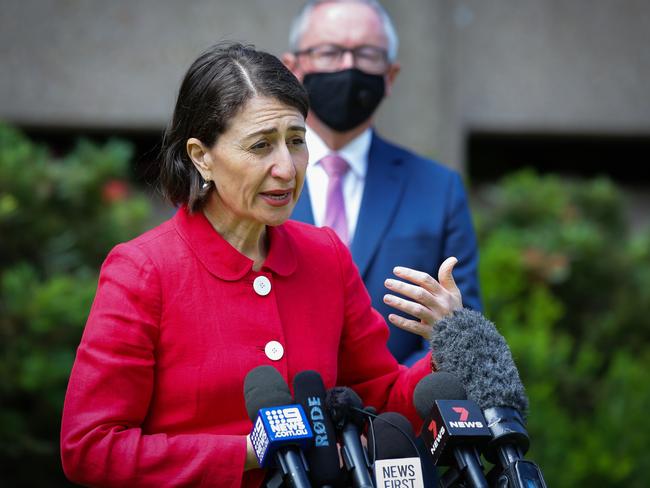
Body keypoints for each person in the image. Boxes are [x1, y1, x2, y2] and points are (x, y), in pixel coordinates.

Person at [60, 42, 463, 487]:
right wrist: (251, 452)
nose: (287, 169)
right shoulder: (142, 271)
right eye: (261, 146)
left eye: (296, 142)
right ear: (201, 156)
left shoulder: (325, 255)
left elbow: (383, 403)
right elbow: (91, 448)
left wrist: (447, 347)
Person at [282, 0, 482, 366]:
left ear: (390, 76)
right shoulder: (252, 179)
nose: (348, 66)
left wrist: (391, 405)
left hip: (397, 414)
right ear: (292, 68)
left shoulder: (438, 189)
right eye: (329, 52)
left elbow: (461, 323)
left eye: (366, 54)